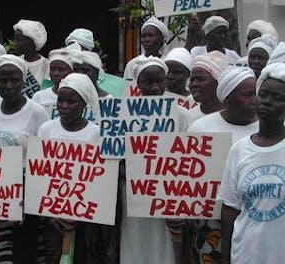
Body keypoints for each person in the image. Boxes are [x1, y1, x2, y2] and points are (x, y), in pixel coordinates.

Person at [0, 54, 49, 263]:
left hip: (24, 202)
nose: (8, 86)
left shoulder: (37, 112)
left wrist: (30, 198)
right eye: (2, 80)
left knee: (23, 254)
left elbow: (43, 162)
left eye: (14, 80)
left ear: (23, 80)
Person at [186, 66, 258, 264]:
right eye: (247, 95)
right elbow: (185, 179)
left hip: (255, 222)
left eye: (256, 93)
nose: (255, 100)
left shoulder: (268, 129)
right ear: (227, 98)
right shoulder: (200, 128)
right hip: (209, 222)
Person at [219, 62, 285, 264]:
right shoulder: (239, 150)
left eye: (277, 98)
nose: (267, 101)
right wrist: (225, 258)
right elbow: (230, 211)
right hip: (245, 256)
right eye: (263, 94)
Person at [38, 72, 100, 264]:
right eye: (61, 100)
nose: (64, 106)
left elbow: (99, 181)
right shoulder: (47, 129)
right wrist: (51, 216)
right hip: (50, 219)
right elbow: (39, 173)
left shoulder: (96, 133)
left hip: (84, 222)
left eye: (71, 101)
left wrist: (79, 215)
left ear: (84, 103)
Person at [120, 55, 177, 264]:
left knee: (163, 244)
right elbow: (114, 155)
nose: (154, 88)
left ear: (166, 81)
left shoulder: (179, 114)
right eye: (147, 82)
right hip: (132, 191)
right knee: (134, 239)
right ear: (138, 84)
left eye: (159, 81)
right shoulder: (122, 115)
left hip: (167, 193)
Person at [179, 51, 228, 131]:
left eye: (200, 79)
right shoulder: (188, 117)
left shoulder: (233, 118)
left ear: (218, 81)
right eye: (192, 80)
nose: (194, 84)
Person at [123, 16, 169, 80]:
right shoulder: (133, 64)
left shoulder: (167, 63)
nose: (146, 39)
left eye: (151, 36)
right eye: (143, 36)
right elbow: (127, 87)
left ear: (162, 38)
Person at [13, 19, 49, 85]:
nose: (15, 44)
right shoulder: (15, 62)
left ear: (31, 41)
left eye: (19, 40)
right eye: (15, 40)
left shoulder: (47, 65)